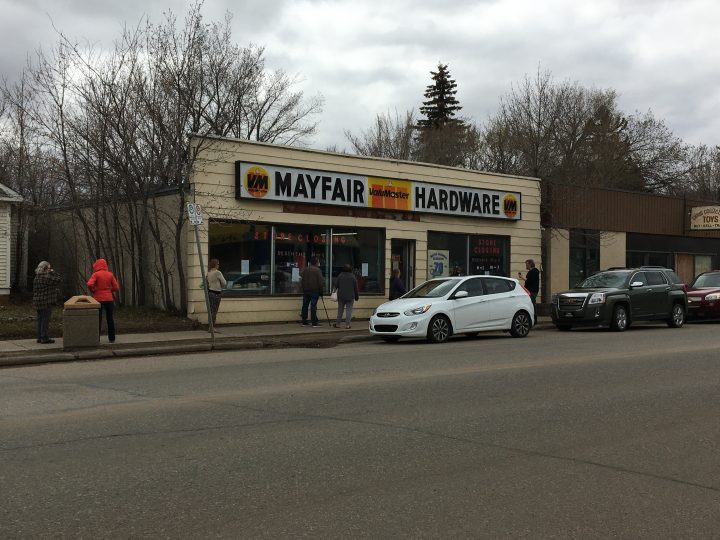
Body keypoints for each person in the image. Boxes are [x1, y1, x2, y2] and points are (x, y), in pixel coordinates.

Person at [87, 258, 120, 343]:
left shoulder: (96, 274)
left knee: (98, 319)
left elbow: (89, 284)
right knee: (110, 318)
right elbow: (116, 287)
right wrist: (109, 291)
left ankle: (96, 338)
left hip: (98, 299)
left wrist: (93, 290)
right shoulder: (110, 274)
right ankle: (112, 338)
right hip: (109, 299)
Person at [33, 261, 62, 344]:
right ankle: (44, 338)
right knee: (45, 320)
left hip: (37, 301)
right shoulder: (47, 277)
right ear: (46, 268)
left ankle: (39, 337)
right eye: (49, 268)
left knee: (40, 320)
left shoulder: (37, 277)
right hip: (46, 301)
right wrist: (53, 272)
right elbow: (58, 279)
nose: (50, 269)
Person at [333, 264, 359, 329]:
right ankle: (347, 325)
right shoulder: (353, 277)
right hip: (350, 296)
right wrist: (356, 296)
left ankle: (338, 324)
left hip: (341, 296)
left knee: (340, 310)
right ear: (350, 269)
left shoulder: (340, 276)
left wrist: (333, 292)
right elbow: (356, 288)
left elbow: (336, 285)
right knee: (349, 310)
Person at [300, 256, 323, 327]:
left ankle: (304, 321)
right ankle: (314, 322)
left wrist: (303, 288)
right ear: (316, 262)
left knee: (305, 306)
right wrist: (321, 292)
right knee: (313, 306)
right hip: (314, 291)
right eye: (318, 261)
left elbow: (302, 280)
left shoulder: (305, 269)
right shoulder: (317, 270)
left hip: (306, 290)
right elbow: (320, 282)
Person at [206, 258, 227, 327]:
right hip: (216, 293)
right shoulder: (218, 272)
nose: (218, 265)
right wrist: (221, 285)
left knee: (211, 310)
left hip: (210, 293)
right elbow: (224, 283)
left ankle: (210, 326)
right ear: (215, 265)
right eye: (218, 264)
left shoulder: (208, 273)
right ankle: (212, 327)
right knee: (214, 311)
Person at [519, 259, 540, 324]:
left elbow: (529, 281)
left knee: (532, 304)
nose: (526, 266)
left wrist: (521, 277)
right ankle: (533, 318)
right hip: (532, 291)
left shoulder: (533, 271)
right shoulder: (533, 271)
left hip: (532, 291)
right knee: (532, 304)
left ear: (530, 264)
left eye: (526, 264)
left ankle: (534, 319)